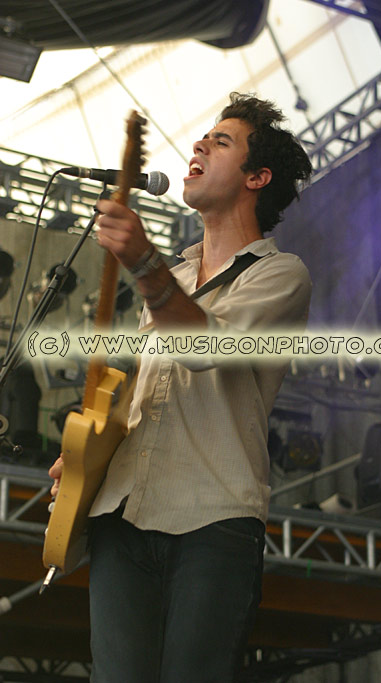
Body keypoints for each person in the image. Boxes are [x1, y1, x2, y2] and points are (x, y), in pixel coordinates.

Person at [49, 92, 312, 682]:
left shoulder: (281, 273)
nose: (199, 144)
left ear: (257, 177)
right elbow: (141, 396)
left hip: (213, 518)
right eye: (204, 136)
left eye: (221, 141)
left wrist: (144, 263)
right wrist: (87, 455)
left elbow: (205, 348)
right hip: (122, 510)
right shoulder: (174, 274)